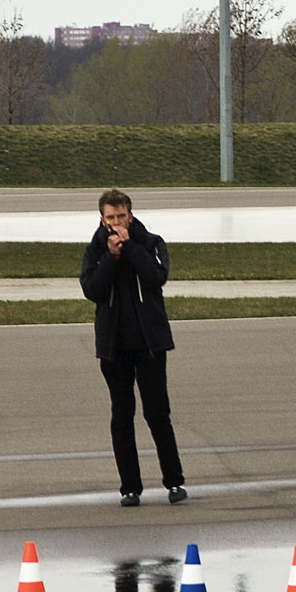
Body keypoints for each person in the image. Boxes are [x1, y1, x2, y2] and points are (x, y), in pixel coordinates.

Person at [81, 189, 185, 505]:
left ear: (131, 214)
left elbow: (156, 277)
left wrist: (131, 248)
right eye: (110, 218)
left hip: (149, 345)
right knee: (122, 415)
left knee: (157, 412)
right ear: (102, 219)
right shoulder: (95, 250)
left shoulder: (151, 242)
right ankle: (130, 487)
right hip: (115, 348)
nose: (116, 223)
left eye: (121, 216)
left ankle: (175, 482)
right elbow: (92, 289)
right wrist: (112, 257)